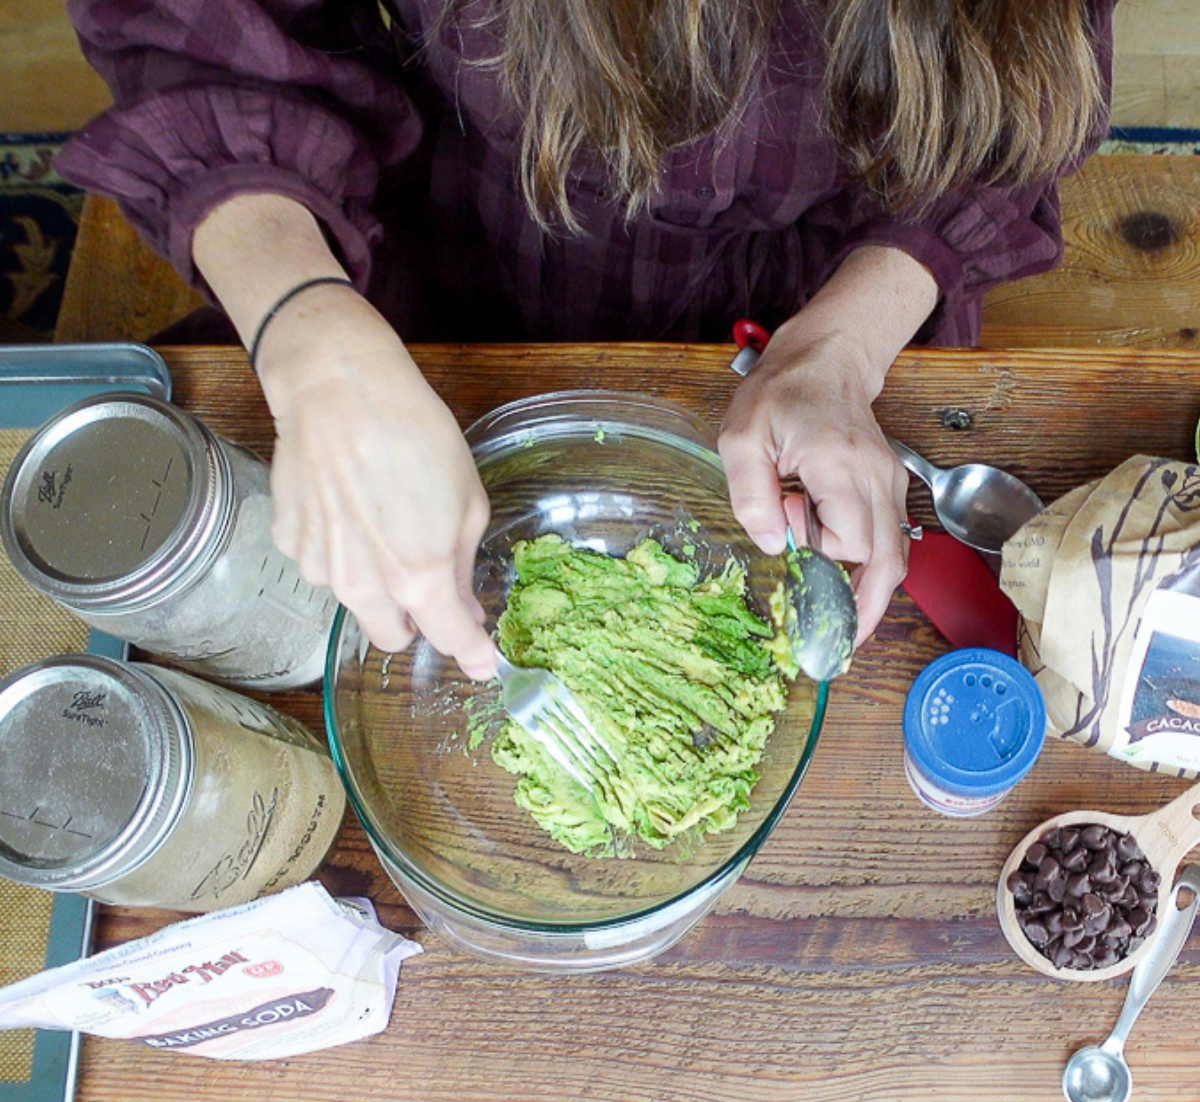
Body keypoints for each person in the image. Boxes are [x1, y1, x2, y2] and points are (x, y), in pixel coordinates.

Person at [59, 0, 1116, 679]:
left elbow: (1022, 100)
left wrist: (846, 340)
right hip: (443, 273)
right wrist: (309, 335)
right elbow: (197, 34)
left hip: (826, 281)